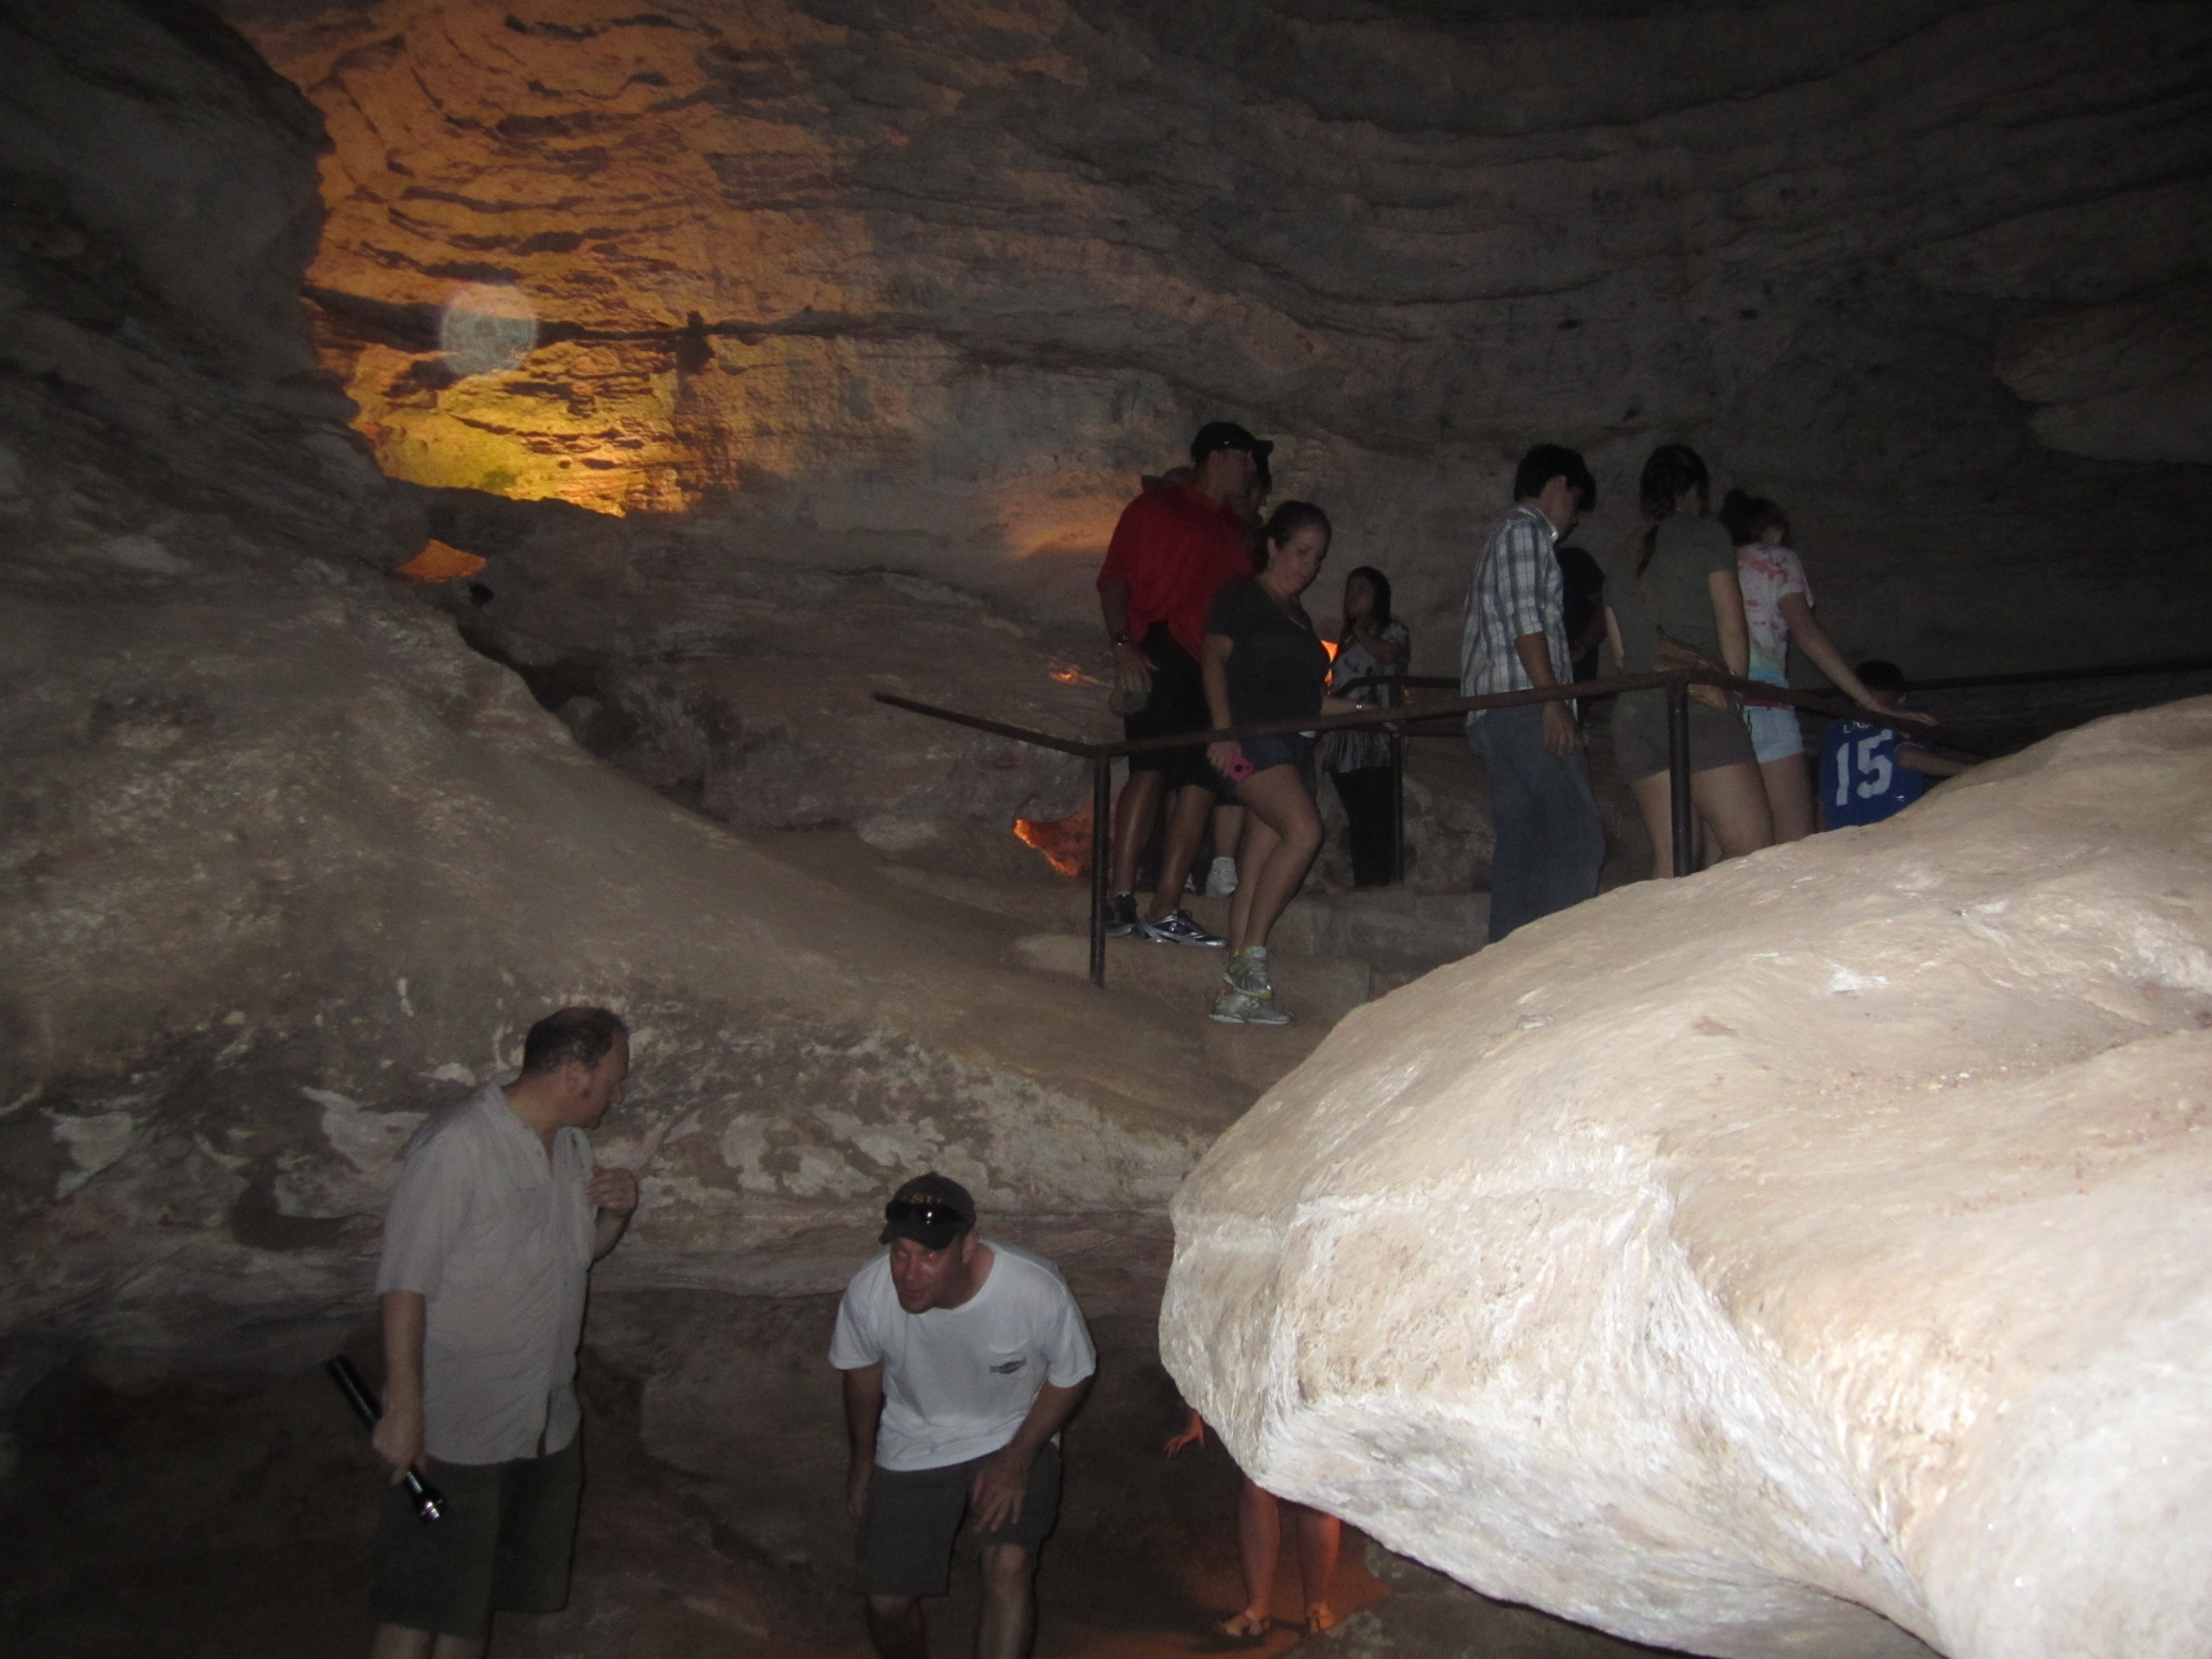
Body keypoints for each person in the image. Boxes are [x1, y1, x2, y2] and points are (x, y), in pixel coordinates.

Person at [367, 1006, 641, 1659]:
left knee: (473, 1605)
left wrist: (617, 1216)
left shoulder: (571, 1148)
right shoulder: (459, 1146)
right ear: (576, 1074)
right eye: (614, 1076)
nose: (618, 1092)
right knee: (418, 1607)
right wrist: (405, 1408)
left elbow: (580, 1256)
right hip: (461, 1427)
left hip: (544, 1422)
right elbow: (405, 1281)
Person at [831, 1174, 1096, 1659]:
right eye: (901, 1253)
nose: (910, 1273)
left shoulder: (1031, 1290)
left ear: (967, 1246)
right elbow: (861, 1372)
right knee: (886, 1603)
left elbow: (1073, 1373)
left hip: (1013, 1431)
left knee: (1008, 1564)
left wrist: (1017, 1459)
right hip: (916, 1436)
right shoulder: (870, 1293)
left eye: (930, 1256)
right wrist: (862, 1459)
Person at [1097, 422, 1273, 948]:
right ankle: (1120, 898)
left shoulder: (1235, 535)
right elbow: (1114, 579)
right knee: (1149, 768)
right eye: (1245, 459)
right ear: (1220, 457)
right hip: (1158, 651)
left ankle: (1167, 906)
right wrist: (1123, 645)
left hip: (1208, 670)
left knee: (1199, 782)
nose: (1252, 470)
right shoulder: (1153, 509)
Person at [1201, 501, 1356, 1024]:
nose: (1308, 567)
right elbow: (1215, 659)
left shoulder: (1300, 618)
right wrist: (1223, 730)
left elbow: (1305, 701)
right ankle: (1253, 960)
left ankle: (1238, 993)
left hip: (1290, 747)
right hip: (1250, 744)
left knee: (1259, 867)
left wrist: (1366, 712)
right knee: (1305, 832)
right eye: (1301, 552)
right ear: (1273, 546)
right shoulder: (1242, 596)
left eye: (1318, 558)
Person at [1598, 445, 1773, 879]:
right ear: (1695, 491)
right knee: (1750, 845)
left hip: (1635, 715)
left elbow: (1621, 654)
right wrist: (1731, 696)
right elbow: (1732, 629)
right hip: (1694, 705)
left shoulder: (1622, 552)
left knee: (1674, 861)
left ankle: (1656, 945)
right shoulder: (1708, 536)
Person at [1459, 444, 1607, 942]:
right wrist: (1553, 700)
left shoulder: (1504, 537)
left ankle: (1506, 965)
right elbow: (1527, 619)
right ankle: (1552, 961)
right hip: (1525, 707)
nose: (1574, 521)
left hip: (1497, 715)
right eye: (1575, 502)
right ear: (1560, 484)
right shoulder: (1526, 531)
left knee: (1523, 842)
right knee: (1578, 836)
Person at [1722, 490, 1918, 842]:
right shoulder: (1777, 558)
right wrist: (1870, 704)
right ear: (1775, 531)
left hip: (1718, 709)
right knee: (1793, 838)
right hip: (1765, 704)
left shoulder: (1716, 566)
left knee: (1731, 840)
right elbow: (1807, 632)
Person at [1164, 1410, 1343, 1641]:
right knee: (1258, 1485)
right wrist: (1194, 1417)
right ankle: (1258, 1609)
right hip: (1274, 1406)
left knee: (1318, 1490)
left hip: (1322, 1405)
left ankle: (1317, 1607)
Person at [1322, 565, 1409, 888]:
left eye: (1361, 589)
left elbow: (1389, 655)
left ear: (1378, 596)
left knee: (1377, 815)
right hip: (1346, 736)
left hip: (1377, 735)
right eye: (1349, 589)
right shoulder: (1344, 640)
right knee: (1359, 817)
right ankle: (1365, 883)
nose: (1352, 596)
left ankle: (1380, 884)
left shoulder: (1393, 630)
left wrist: (1360, 630)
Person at [1821, 660, 1972, 827]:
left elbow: (1823, 802)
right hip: (1892, 823)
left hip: (1842, 829)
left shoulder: (1835, 731)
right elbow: (1908, 758)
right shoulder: (1910, 716)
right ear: (1901, 698)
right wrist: (1972, 771)